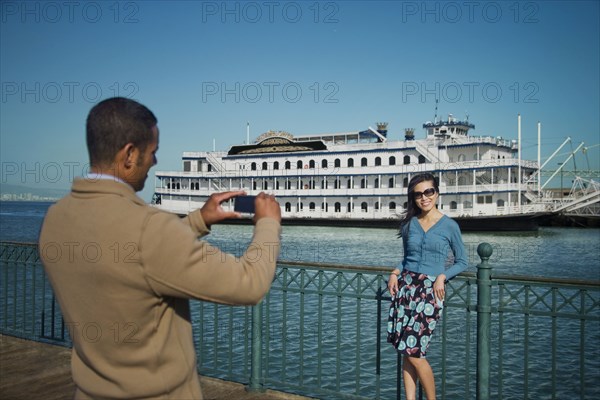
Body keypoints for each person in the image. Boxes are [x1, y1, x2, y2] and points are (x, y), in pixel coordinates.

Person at [38, 97, 282, 399]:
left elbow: (129, 253)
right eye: (152, 153)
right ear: (129, 154)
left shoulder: (56, 218)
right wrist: (268, 223)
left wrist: (197, 220)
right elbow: (249, 284)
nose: (154, 163)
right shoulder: (150, 229)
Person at [386, 173, 468, 400]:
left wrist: (443, 276)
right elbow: (406, 258)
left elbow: (463, 261)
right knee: (406, 350)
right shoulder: (409, 225)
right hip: (405, 290)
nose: (424, 198)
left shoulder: (449, 226)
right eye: (418, 194)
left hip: (430, 292)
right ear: (413, 198)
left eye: (428, 192)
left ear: (437, 193)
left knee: (415, 353)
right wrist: (394, 273)